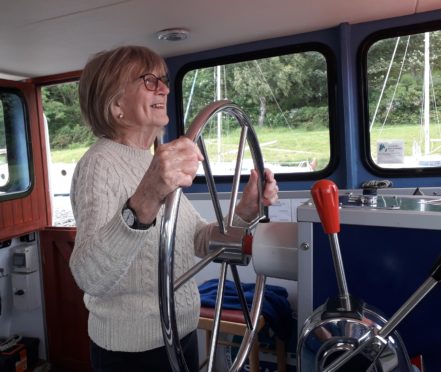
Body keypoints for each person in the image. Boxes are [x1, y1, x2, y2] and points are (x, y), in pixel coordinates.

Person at [69, 45, 279, 372]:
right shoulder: (99, 164)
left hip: (180, 334)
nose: (164, 89)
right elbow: (89, 274)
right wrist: (146, 199)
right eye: (149, 80)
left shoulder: (153, 162)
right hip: (132, 353)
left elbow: (197, 241)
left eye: (164, 80)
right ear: (116, 103)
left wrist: (245, 212)